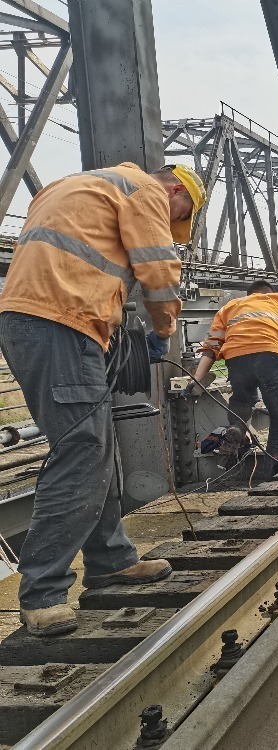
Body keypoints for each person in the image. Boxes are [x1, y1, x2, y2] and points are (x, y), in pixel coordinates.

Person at [0, 162, 206, 636]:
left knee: (97, 444)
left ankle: (110, 559)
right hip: (60, 321)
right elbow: (158, 267)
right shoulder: (145, 190)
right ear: (176, 191)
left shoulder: (73, 184)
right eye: (181, 213)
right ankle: (42, 592)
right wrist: (163, 330)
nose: (173, 222)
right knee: (82, 450)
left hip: (44, 319)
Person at [192, 280, 278, 480]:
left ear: (249, 294)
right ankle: (272, 478)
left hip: (237, 360)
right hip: (270, 355)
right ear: (267, 293)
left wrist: (195, 380)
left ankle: (237, 428)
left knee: (242, 401)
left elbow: (211, 346)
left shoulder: (229, 308)